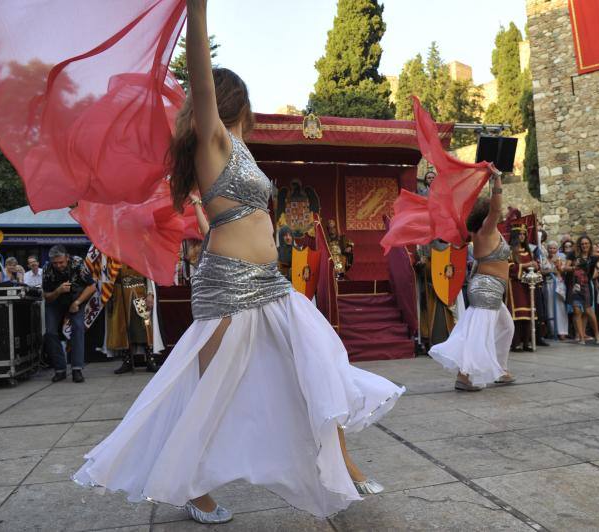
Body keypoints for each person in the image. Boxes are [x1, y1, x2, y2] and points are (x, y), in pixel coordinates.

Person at [74, 2, 403, 523]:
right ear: (234, 102)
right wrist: (197, 13)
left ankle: (346, 467)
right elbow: (201, 84)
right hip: (228, 285)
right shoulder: (214, 142)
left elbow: (231, 213)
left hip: (268, 282)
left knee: (319, 364)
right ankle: (193, 488)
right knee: (214, 395)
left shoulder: (240, 149)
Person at [429, 171, 515, 391]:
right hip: (487, 288)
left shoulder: (484, 232)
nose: (499, 212)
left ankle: (501, 370)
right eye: (492, 212)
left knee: (506, 327)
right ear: (486, 216)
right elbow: (496, 208)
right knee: (477, 334)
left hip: (489, 287)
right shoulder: (486, 231)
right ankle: (464, 376)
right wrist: (497, 180)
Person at [42, 245, 96, 383]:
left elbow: (92, 286)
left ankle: (77, 369)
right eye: (55, 263)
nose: (58, 265)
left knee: (78, 327)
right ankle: (60, 369)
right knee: (50, 332)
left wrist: (77, 303)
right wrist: (58, 291)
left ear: (67, 257)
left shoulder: (78, 263)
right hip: (55, 301)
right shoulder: (47, 269)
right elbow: (47, 297)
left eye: (61, 262)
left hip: (76, 299)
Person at [109, 264, 158, 374]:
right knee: (124, 328)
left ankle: (150, 360)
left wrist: (150, 294)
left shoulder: (141, 253)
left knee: (145, 326)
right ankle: (127, 361)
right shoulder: (116, 256)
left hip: (139, 295)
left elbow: (149, 275)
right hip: (122, 297)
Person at [564, 236, 599, 344]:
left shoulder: (593, 257)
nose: (584, 245)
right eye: (582, 244)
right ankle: (581, 337)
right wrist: (574, 267)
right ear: (579, 245)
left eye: (586, 243)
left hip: (586, 285)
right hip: (575, 285)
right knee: (577, 311)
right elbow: (565, 268)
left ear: (590, 244)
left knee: (588, 311)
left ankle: (597, 334)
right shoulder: (573, 255)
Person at [507, 224, 540, 351]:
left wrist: (535, 266)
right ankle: (515, 343)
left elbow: (534, 267)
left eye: (524, 234)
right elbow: (509, 267)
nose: (522, 236)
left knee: (528, 314)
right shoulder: (510, 251)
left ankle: (526, 342)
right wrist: (526, 265)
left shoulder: (529, 251)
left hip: (527, 285)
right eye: (520, 234)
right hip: (515, 285)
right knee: (517, 315)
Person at [543, 241, 568, 340]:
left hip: (558, 284)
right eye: (550, 248)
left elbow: (561, 271)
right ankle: (553, 331)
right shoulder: (544, 259)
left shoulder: (560, 258)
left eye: (554, 248)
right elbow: (542, 271)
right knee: (549, 308)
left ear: (557, 249)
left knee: (560, 308)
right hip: (547, 284)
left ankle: (562, 331)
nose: (552, 250)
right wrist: (550, 271)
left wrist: (556, 267)